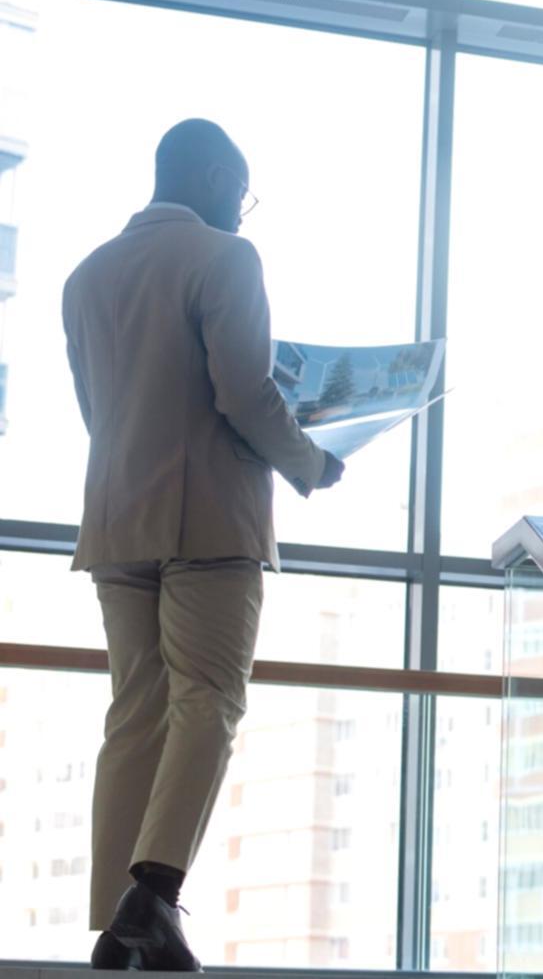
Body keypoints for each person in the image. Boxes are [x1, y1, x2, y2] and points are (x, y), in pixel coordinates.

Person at [64, 119, 344, 971]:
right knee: (209, 700)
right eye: (242, 193)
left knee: (135, 711)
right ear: (218, 176)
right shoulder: (226, 258)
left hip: (116, 519)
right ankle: (152, 894)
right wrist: (312, 461)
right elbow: (245, 394)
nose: (241, 211)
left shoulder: (87, 276)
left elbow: (98, 410)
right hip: (207, 519)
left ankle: (117, 927)